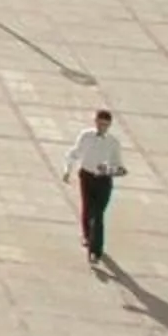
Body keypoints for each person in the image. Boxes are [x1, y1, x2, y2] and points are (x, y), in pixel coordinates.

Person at [62, 109, 127, 269]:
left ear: (109, 125)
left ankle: (93, 244)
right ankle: (94, 249)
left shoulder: (113, 143)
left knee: (98, 213)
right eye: (99, 123)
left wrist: (107, 170)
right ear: (95, 121)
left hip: (103, 180)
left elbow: (119, 167)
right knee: (89, 209)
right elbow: (74, 153)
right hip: (87, 176)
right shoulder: (86, 136)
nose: (102, 127)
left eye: (105, 125)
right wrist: (67, 170)